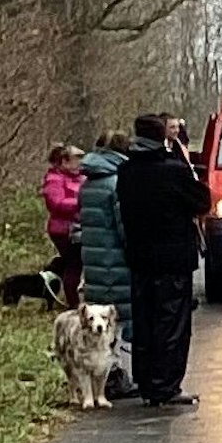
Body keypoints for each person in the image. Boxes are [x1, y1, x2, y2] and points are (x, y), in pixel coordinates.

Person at [117, 114, 208, 407]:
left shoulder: (127, 171)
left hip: (140, 257)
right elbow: (201, 201)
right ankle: (166, 386)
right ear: (162, 138)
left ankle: (146, 382)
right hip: (172, 257)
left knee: (144, 321)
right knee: (171, 323)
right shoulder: (173, 170)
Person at [77, 131, 138, 400]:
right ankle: (117, 376)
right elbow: (124, 227)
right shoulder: (117, 184)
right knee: (120, 322)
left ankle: (104, 375)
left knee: (100, 321)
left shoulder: (88, 183)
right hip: (117, 263)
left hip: (94, 263)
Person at [40, 144, 86, 306]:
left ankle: (76, 300)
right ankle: (73, 304)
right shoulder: (54, 179)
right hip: (63, 230)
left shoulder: (81, 177)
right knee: (73, 265)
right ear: (64, 161)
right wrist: (81, 202)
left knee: (77, 265)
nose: (80, 162)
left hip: (79, 227)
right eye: (77, 159)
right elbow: (56, 204)